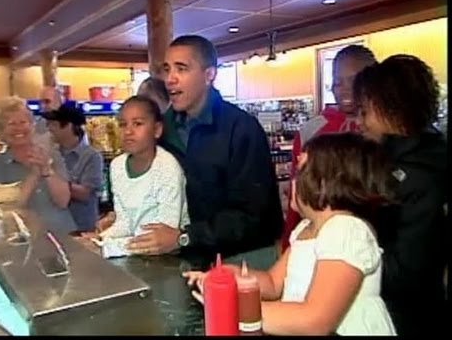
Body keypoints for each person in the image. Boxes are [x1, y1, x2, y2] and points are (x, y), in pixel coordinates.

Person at [184, 132, 397, 335]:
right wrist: (231, 277)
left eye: (301, 170)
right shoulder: (305, 229)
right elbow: (273, 283)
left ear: (325, 183)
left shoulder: (346, 230)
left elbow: (315, 319)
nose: (291, 181)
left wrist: (234, 309)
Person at [128, 35, 283, 270]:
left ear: (209, 74)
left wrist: (185, 236)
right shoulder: (163, 128)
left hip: (242, 260)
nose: (170, 79)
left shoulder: (241, 128)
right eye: (167, 69)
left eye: (182, 68)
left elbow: (254, 216)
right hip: (186, 260)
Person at [353, 54, 447, 336]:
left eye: (364, 111)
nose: (359, 122)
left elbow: (406, 270)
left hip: (404, 317)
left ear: (389, 109)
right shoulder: (416, 159)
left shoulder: (414, 176)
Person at [281, 44, 377, 251]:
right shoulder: (312, 130)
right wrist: (289, 241)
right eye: (337, 82)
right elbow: (297, 194)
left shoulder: (382, 130)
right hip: (318, 243)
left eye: (354, 81)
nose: (345, 89)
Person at [89, 95, 189, 253]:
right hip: (132, 253)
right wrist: (100, 239)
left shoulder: (167, 168)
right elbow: (125, 222)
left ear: (157, 130)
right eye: (122, 124)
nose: (128, 131)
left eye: (137, 124)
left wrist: (105, 249)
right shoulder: (117, 166)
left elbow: (160, 237)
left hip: (169, 259)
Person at [0, 96, 76, 234]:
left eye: (23, 122)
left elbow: (63, 201)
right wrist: (33, 174)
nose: (19, 128)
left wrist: (46, 169)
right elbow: (8, 210)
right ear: (0, 131)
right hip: (22, 239)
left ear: (32, 126)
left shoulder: (52, 155)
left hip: (64, 235)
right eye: (11, 124)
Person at [41, 104, 104, 232]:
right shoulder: (50, 153)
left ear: (68, 126)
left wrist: (51, 178)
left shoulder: (92, 156)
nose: (49, 129)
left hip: (80, 229)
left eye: (53, 124)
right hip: (54, 227)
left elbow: (84, 193)